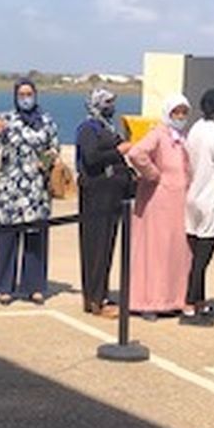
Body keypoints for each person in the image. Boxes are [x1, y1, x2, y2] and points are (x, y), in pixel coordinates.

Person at [0, 79, 58, 305]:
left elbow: (54, 148)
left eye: (29, 93)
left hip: (36, 189)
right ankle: (4, 287)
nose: (26, 98)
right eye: (22, 94)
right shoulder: (5, 119)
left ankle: (34, 286)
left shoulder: (46, 121)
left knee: (35, 239)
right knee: (7, 238)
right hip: (10, 189)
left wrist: (44, 162)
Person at [121, 94, 192, 319]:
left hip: (179, 202)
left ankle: (173, 299)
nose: (180, 117)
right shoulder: (159, 134)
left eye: (183, 113)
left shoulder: (181, 137)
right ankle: (148, 301)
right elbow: (136, 153)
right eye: (176, 113)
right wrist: (153, 175)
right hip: (158, 201)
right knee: (155, 251)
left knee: (176, 252)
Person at [74, 88, 127, 318]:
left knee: (107, 247)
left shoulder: (107, 127)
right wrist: (118, 152)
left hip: (112, 193)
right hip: (96, 195)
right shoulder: (89, 128)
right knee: (95, 246)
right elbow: (92, 158)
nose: (110, 106)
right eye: (106, 102)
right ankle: (95, 298)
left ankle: (101, 293)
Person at [182, 88, 214, 324]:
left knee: (195, 252)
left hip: (192, 196)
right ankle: (190, 304)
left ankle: (199, 301)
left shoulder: (194, 130)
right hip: (211, 198)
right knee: (203, 257)